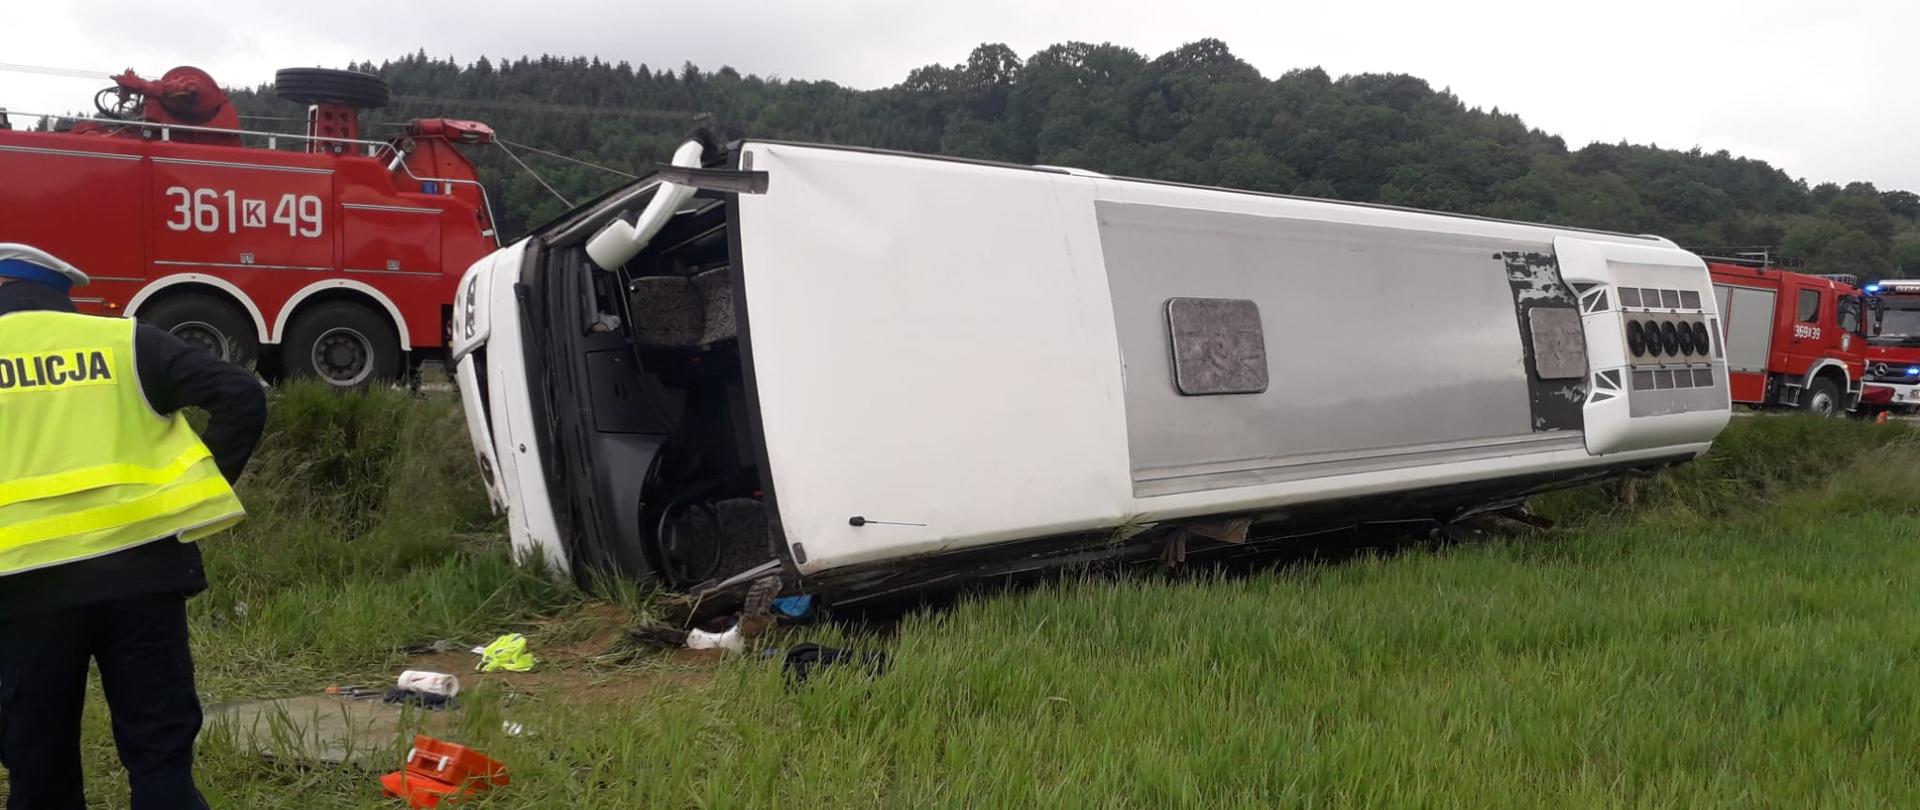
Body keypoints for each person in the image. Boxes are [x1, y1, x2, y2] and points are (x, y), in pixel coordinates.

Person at [0, 244, 267, 809]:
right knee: (160, 759)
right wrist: (196, 491)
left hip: (21, 591)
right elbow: (241, 395)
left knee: (38, 766)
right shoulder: (125, 341)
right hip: (143, 575)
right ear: (60, 294)